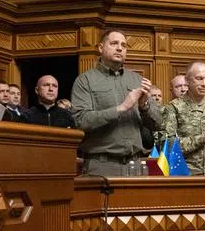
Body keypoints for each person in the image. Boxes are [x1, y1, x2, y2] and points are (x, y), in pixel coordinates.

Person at [70, 29, 163, 176]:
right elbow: (81, 121)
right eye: (114, 43)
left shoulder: (137, 80)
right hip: (102, 165)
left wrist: (144, 106)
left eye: (124, 45)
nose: (120, 48)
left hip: (136, 164)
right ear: (101, 48)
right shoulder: (85, 80)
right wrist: (122, 108)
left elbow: (157, 123)